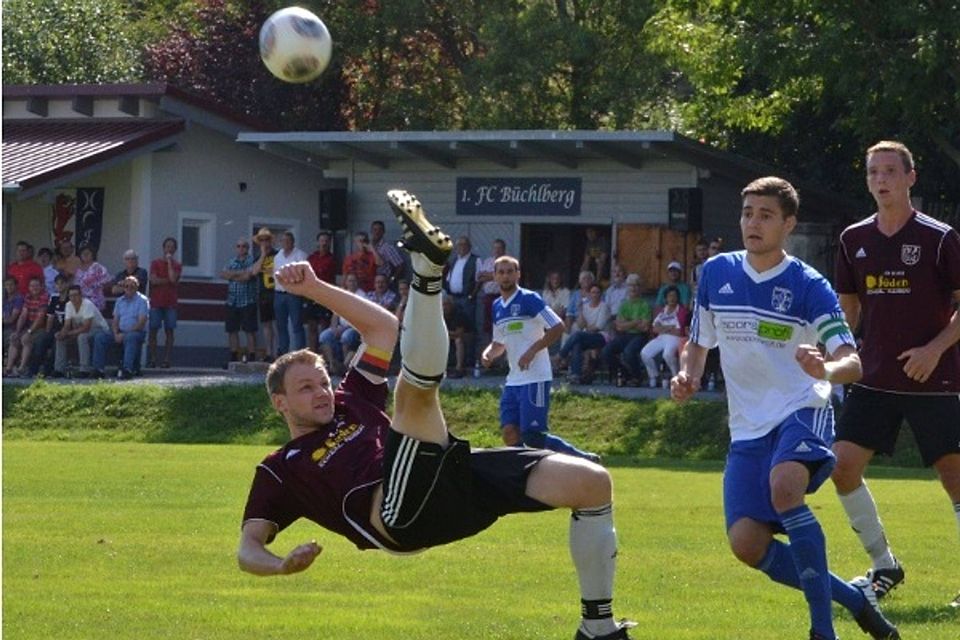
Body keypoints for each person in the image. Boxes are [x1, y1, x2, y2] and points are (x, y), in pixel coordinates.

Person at [238, 190, 634, 640]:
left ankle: (598, 629)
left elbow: (384, 329)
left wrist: (313, 287)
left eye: (324, 381)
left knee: (592, 483)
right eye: (306, 388)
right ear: (280, 404)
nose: (323, 392)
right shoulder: (279, 469)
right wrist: (279, 566)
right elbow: (247, 548)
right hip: (397, 516)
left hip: (445, 485)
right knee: (413, 392)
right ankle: (428, 275)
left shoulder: (352, 400)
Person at [670, 176, 899, 640]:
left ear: (788, 224)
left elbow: (851, 362)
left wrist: (825, 370)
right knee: (747, 544)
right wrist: (689, 374)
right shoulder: (716, 273)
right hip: (748, 428)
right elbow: (697, 341)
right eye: (747, 213)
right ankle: (857, 601)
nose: (753, 222)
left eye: (765, 215)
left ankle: (821, 632)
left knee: (785, 486)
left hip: (802, 408)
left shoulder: (807, 284)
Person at [831, 140, 960, 602]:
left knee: (954, 477)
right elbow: (846, 312)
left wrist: (934, 349)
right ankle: (884, 566)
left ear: (910, 177)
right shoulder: (853, 239)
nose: (881, 180)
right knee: (842, 470)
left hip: (935, 376)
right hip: (874, 375)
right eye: (873, 173)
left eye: (889, 171)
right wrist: (831, 356)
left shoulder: (940, 237)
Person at [481, 255, 599, 461]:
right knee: (509, 432)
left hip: (535, 377)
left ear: (518, 274)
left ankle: (583, 458)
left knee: (533, 436)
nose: (505, 276)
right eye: (501, 272)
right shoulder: (497, 306)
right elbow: (499, 342)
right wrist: (489, 352)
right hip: (513, 379)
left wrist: (532, 351)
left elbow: (558, 326)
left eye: (510, 271)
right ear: (494, 276)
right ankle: (524, 471)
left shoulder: (529, 299)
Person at [93, 275, 149, 379]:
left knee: (130, 337)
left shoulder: (142, 301)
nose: (129, 288)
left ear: (137, 287)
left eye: (132, 286)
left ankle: (127, 369)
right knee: (100, 337)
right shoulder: (119, 301)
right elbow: (115, 321)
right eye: (126, 286)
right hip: (120, 331)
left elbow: (141, 323)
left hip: (136, 332)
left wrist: (124, 334)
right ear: (123, 288)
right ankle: (98, 370)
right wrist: (115, 333)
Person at [601, 274, 650, 386]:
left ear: (640, 288)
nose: (633, 288)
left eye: (636, 285)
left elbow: (645, 327)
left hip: (639, 336)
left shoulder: (644, 305)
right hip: (624, 335)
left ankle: (637, 377)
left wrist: (626, 322)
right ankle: (625, 373)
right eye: (630, 286)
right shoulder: (624, 305)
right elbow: (619, 326)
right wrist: (635, 322)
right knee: (606, 351)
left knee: (629, 352)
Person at [559, 284, 611, 385]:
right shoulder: (585, 307)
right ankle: (576, 375)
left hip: (601, 337)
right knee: (577, 343)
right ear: (589, 295)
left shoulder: (604, 307)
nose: (595, 295)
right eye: (592, 292)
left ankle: (561, 355)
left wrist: (587, 328)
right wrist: (580, 310)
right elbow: (581, 325)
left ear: (601, 294)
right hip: (587, 337)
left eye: (597, 292)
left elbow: (597, 328)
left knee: (578, 335)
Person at [640, 285, 688, 388]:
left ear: (678, 298)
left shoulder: (681, 311)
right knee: (645, 353)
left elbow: (679, 331)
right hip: (661, 337)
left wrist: (663, 327)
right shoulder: (663, 311)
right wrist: (669, 328)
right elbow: (654, 328)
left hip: (675, 338)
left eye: (674, 296)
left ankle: (676, 376)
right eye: (669, 296)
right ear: (665, 298)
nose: (672, 298)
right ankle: (654, 376)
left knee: (667, 354)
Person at [57, 285, 109, 377]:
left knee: (82, 337)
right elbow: (67, 324)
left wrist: (69, 333)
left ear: (81, 295)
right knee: (60, 338)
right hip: (80, 329)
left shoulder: (87, 304)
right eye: (71, 295)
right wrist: (62, 333)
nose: (73, 298)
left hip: (98, 329)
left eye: (76, 295)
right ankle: (59, 369)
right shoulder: (68, 305)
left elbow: (86, 327)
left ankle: (84, 370)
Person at [221, 237, 259, 365]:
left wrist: (233, 275)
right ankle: (233, 356)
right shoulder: (232, 261)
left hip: (248, 301)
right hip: (232, 301)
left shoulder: (252, 260)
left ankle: (252, 356)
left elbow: (247, 277)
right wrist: (240, 274)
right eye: (238, 246)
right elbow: (224, 274)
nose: (240, 248)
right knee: (232, 330)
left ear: (247, 248)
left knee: (249, 330)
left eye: (243, 246)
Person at [4, 276, 49, 377]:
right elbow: (23, 315)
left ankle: (21, 368)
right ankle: (8, 368)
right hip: (29, 325)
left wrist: (28, 332)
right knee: (14, 338)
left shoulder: (44, 297)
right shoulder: (28, 297)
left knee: (26, 339)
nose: (34, 288)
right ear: (28, 287)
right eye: (32, 286)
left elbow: (40, 318)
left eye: (36, 285)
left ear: (41, 287)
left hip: (41, 327)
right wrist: (17, 331)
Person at [273, 231, 308, 356]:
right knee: (281, 325)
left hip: (294, 293)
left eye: (288, 241)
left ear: (293, 242)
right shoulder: (277, 256)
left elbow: (302, 275)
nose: (286, 243)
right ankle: (283, 353)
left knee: (297, 325)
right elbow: (276, 275)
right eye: (283, 241)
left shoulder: (300, 255)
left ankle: (300, 354)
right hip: (279, 294)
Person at [28, 273, 70, 377]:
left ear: (67, 284)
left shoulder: (71, 298)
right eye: (57, 284)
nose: (59, 286)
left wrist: (62, 332)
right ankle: (32, 371)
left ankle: (47, 371)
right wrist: (47, 332)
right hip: (55, 328)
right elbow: (50, 317)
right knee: (41, 339)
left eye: (62, 283)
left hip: (68, 329)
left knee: (56, 344)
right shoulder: (54, 297)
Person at [148, 237, 181, 368]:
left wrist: (169, 263)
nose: (169, 249)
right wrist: (167, 280)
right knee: (153, 330)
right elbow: (153, 281)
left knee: (169, 331)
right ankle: (152, 359)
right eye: (167, 246)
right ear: (163, 248)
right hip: (156, 301)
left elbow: (173, 279)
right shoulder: (155, 263)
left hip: (170, 302)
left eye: (172, 247)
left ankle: (167, 360)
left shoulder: (177, 265)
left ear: (175, 249)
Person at [305, 230, 337, 352]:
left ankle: (325, 356)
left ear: (330, 243)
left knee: (324, 326)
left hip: (325, 295)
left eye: (326, 241)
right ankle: (312, 354)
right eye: (322, 241)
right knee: (311, 326)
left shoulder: (333, 259)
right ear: (317, 242)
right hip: (312, 294)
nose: (324, 243)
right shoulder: (311, 258)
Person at [252, 228, 279, 362]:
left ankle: (278, 351)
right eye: (261, 240)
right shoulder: (258, 257)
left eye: (266, 239)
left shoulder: (278, 255)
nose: (264, 242)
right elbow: (255, 271)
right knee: (266, 324)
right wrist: (262, 255)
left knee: (277, 323)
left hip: (276, 292)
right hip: (263, 293)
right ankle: (269, 352)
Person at [442, 293, 474, 378]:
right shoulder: (441, 314)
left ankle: (459, 369)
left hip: (467, 336)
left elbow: (459, 334)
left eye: (446, 304)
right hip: (449, 335)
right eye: (442, 305)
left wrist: (444, 333)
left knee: (458, 341)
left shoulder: (459, 313)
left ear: (451, 304)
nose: (444, 307)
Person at [74, 244, 112, 311]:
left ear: (93, 254)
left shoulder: (98, 267)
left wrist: (98, 288)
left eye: (87, 253)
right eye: (83, 253)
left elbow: (108, 282)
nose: (85, 255)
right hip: (81, 301)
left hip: (96, 301)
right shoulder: (78, 270)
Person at [370, 219, 405, 285]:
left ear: (383, 232)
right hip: (370, 282)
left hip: (383, 283)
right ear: (371, 231)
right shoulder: (368, 246)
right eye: (375, 230)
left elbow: (400, 265)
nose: (377, 232)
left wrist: (392, 279)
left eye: (380, 230)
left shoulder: (387, 248)